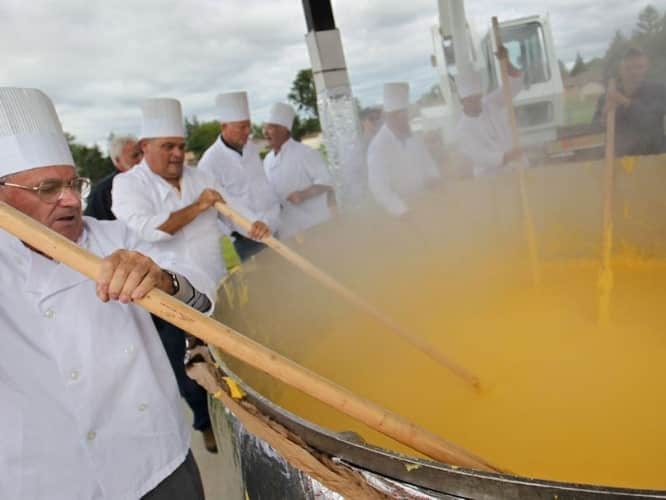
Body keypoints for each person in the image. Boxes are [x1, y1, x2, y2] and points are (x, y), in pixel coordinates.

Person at [0, 87, 215, 499]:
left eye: (72, 183)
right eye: (47, 188)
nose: (69, 200)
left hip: (158, 463)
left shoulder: (115, 236)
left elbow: (202, 297)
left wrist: (162, 279)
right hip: (48, 483)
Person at [111, 97, 270, 452]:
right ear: (144, 147)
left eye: (181, 146)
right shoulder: (128, 186)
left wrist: (253, 225)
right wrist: (199, 205)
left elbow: (231, 210)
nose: (177, 154)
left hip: (214, 285)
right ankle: (204, 424)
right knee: (187, 370)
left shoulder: (202, 177)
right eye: (168, 146)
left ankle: (250, 421)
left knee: (235, 356)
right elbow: (153, 230)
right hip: (166, 298)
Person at [198, 91, 281, 260]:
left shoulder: (250, 148)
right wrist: (250, 225)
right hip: (248, 237)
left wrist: (272, 217)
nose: (248, 131)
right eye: (241, 127)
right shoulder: (209, 162)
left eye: (248, 125)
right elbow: (218, 207)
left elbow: (261, 186)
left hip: (274, 226)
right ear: (224, 127)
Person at [263, 102, 336, 239]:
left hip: (315, 226)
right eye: (265, 127)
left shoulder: (306, 153)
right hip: (287, 231)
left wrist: (304, 194)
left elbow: (327, 182)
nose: (265, 132)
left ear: (284, 129)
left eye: (270, 127)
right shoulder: (267, 160)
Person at [367, 82, 440, 216]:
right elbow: (380, 189)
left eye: (406, 118)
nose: (406, 123)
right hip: (400, 211)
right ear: (389, 118)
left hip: (425, 202)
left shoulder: (413, 137)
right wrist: (402, 211)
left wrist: (433, 177)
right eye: (401, 119)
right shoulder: (378, 147)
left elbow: (428, 163)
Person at [454, 47, 525, 177]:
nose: (477, 103)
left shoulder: (489, 103)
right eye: (472, 100)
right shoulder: (462, 130)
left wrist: (506, 62)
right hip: (490, 179)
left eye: (478, 98)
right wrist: (507, 157)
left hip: (517, 169)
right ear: (462, 102)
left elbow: (516, 84)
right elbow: (480, 156)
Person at [593, 47, 666, 157]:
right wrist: (604, 115)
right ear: (621, 69)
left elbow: (651, 120)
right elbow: (595, 129)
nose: (634, 72)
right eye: (628, 68)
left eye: (639, 67)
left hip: (654, 157)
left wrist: (626, 102)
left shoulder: (658, 90)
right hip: (619, 160)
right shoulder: (608, 96)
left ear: (647, 68)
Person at [84, 134, 142, 220]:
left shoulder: (158, 180)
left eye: (143, 153)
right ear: (118, 161)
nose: (142, 159)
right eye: (135, 156)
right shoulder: (101, 192)